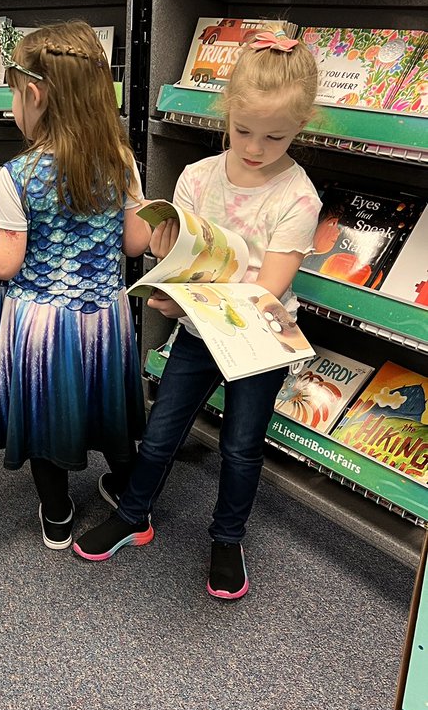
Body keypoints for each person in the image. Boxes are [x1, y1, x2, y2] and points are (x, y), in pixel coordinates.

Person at [74, 31, 322, 600]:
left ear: (301, 126)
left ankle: (227, 539)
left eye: (276, 136)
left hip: (260, 338)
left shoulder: (298, 197)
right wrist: (168, 276)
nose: (255, 147)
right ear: (225, 111)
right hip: (196, 331)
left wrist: (188, 296)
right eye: (242, 130)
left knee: (240, 446)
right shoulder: (197, 177)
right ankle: (133, 514)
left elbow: (266, 290)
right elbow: (182, 257)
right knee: (161, 429)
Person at [0, 20, 149, 551]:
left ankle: (57, 515)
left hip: (42, 326)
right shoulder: (121, 161)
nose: (12, 106)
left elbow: (5, 263)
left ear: (34, 95)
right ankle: (130, 494)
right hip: (104, 314)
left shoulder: (19, 175)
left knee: (46, 417)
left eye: (12, 94)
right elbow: (135, 244)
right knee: (111, 409)